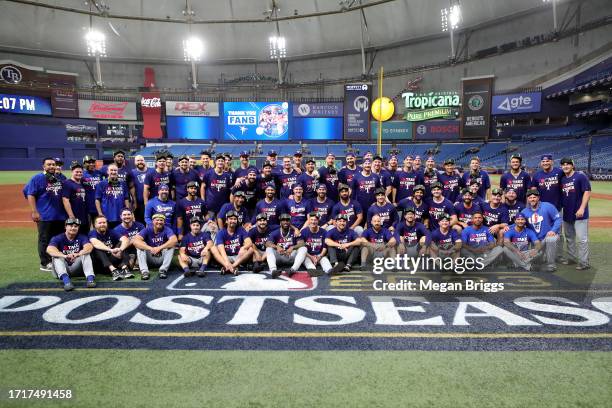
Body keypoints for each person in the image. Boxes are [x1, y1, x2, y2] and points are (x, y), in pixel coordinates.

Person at [24, 157, 67, 271]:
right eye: (49, 164)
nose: (52, 166)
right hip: (45, 215)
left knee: (58, 238)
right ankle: (45, 262)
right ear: (44, 166)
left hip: (60, 215)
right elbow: (29, 193)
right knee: (44, 239)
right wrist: (34, 211)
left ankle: (57, 259)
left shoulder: (61, 178)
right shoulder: (37, 178)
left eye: (53, 164)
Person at [46, 218, 96, 290]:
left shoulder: (82, 237)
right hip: (61, 269)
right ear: (65, 227)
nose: (73, 228)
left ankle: (90, 280)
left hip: (75, 267)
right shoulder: (58, 238)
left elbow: (89, 247)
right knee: (56, 256)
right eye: (70, 226)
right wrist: (65, 256)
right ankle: (67, 282)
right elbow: (49, 249)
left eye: (76, 226)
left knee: (86, 254)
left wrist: (78, 254)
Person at [559, 157, 591, 270]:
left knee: (582, 239)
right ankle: (572, 258)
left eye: (568, 164)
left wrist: (582, 208)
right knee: (569, 238)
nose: (565, 166)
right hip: (567, 213)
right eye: (563, 164)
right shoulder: (562, 179)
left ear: (572, 165)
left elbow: (587, 192)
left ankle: (584, 262)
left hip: (580, 214)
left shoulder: (580, 176)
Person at [520, 188, 561, 272]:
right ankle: (540, 256)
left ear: (538, 198)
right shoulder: (524, 211)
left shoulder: (548, 206)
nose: (532, 199)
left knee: (551, 239)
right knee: (537, 261)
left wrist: (553, 230)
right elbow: (520, 225)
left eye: (534, 197)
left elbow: (558, 219)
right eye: (530, 197)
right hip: (536, 242)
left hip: (548, 237)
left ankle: (551, 265)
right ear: (527, 199)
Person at [133, 213, 177, 280]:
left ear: (164, 222)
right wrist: (150, 248)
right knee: (140, 247)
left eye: (161, 220)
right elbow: (135, 241)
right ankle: (144, 271)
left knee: (171, 246)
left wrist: (159, 248)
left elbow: (174, 240)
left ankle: (163, 270)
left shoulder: (167, 230)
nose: (159, 222)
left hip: (162, 257)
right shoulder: (147, 229)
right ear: (153, 221)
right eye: (157, 220)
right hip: (150, 258)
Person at [88, 215, 131, 280]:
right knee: (97, 249)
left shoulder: (111, 231)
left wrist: (120, 249)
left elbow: (125, 239)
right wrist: (111, 250)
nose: (102, 224)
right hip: (101, 265)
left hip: (113, 259)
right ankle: (113, 271)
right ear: (95, 225)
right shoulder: (92, 233)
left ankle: (124, 268)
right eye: (100, 223)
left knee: (122, 244)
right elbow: (95, 243)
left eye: (104, 222)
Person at [265, 213, 308, 278]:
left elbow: (302, 243)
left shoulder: (295, 232)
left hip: (291, 256)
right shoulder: (275, 232)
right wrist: (276, 247)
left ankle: (292, 269)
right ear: (280, 222)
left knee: (304, 248)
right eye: (283, 220)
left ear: (290, 222)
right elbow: (267, 243)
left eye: (287, 220)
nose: (285, 222)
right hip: (280, 256)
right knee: (268, 249)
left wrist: (293, 247)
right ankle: (273, 270)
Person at [213, 211, 252, 275]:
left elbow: (249, 242)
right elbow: (221, 250)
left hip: (238, 256)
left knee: (250, 249)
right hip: (226, 256)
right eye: (231, 219)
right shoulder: (221, 232)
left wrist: (244, 247)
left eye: (235, 219)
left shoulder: (241, 229)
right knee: (214, 248)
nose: (233, 221)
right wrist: (227, 261)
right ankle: (230, 266)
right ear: (226, 221)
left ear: (237, 221)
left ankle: (231, 266)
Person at [201, 154, 233, 218]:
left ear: (224, 163)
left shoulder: (227, 176)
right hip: (210, 206)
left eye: (222, 161)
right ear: (215, 162)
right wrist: (203, 201)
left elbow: (230, 191)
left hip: (222, 207)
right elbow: (202, 187)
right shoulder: (208, 174)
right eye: (219, 160)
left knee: (221, 226)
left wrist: (230, 204)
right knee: (210, 226)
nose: (220, 162)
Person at [62, 161, 89, 235]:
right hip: (74, 216)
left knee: (84, 236)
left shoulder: (82, 183)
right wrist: (71, 216)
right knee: (74, 236)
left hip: (83, 216)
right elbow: (65, 200)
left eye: (80, 172)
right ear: (72, 172)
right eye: (76, 172)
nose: (79, 173)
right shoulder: (67, 183)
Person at [82, 155, 105, 225]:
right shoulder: (81, 174)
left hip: (99, 206)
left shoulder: (99, 173)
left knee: (99, 226)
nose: (91, 164)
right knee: (87, 227)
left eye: (93, 162)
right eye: (89, 162)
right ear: (84, 163)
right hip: (86, 206)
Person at [129, 155, 151, 223]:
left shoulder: (152, 171)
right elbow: (131, 187)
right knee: (140, 223)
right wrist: (134, 202)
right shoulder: (132, 173)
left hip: (151, 201)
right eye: (138, 161)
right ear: (134, 162)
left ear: (144, 161)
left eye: (141, 160)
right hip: (138, 203)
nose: (140, 162)